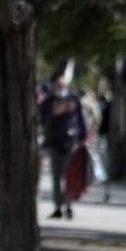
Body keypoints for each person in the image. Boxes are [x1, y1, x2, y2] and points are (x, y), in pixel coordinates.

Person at [38, 71, 87, 221]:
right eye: (58, 84)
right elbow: (42, 118)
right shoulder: (49, 101)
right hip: (54, 142)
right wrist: (55, 112)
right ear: (53, 85)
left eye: (63, 84)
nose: (61, 87)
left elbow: (81, 120)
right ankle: (58, 207)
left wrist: (84, 137)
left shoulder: (74, 100)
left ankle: (69, 205)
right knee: (56, 177)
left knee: (69, 176)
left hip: (71, 142)